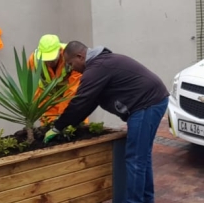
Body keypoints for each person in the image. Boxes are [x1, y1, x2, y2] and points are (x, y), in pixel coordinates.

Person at [44, 41, 169, 203]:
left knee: (136, 159)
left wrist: (57, 127)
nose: (71, 68)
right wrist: (70, 126)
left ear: (80, 56)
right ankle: (146, 199)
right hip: (152, 101)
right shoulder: (100, 65)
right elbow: (89, 103)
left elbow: (80, 101)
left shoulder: (96, 68)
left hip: (146, 104)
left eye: (70, 63)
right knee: (141, 157)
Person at [27, 34, 85, 124]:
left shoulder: (72, 57)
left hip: (70, 98)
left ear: (60, 51)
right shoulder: (34, 60)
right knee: (48, 128)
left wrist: (63, 117)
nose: (49, 62)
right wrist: (39, 110)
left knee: (77, 124)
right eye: (46, 59)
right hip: (48, 100)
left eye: (52, 58)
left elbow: (73, 90)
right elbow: (36, 88)